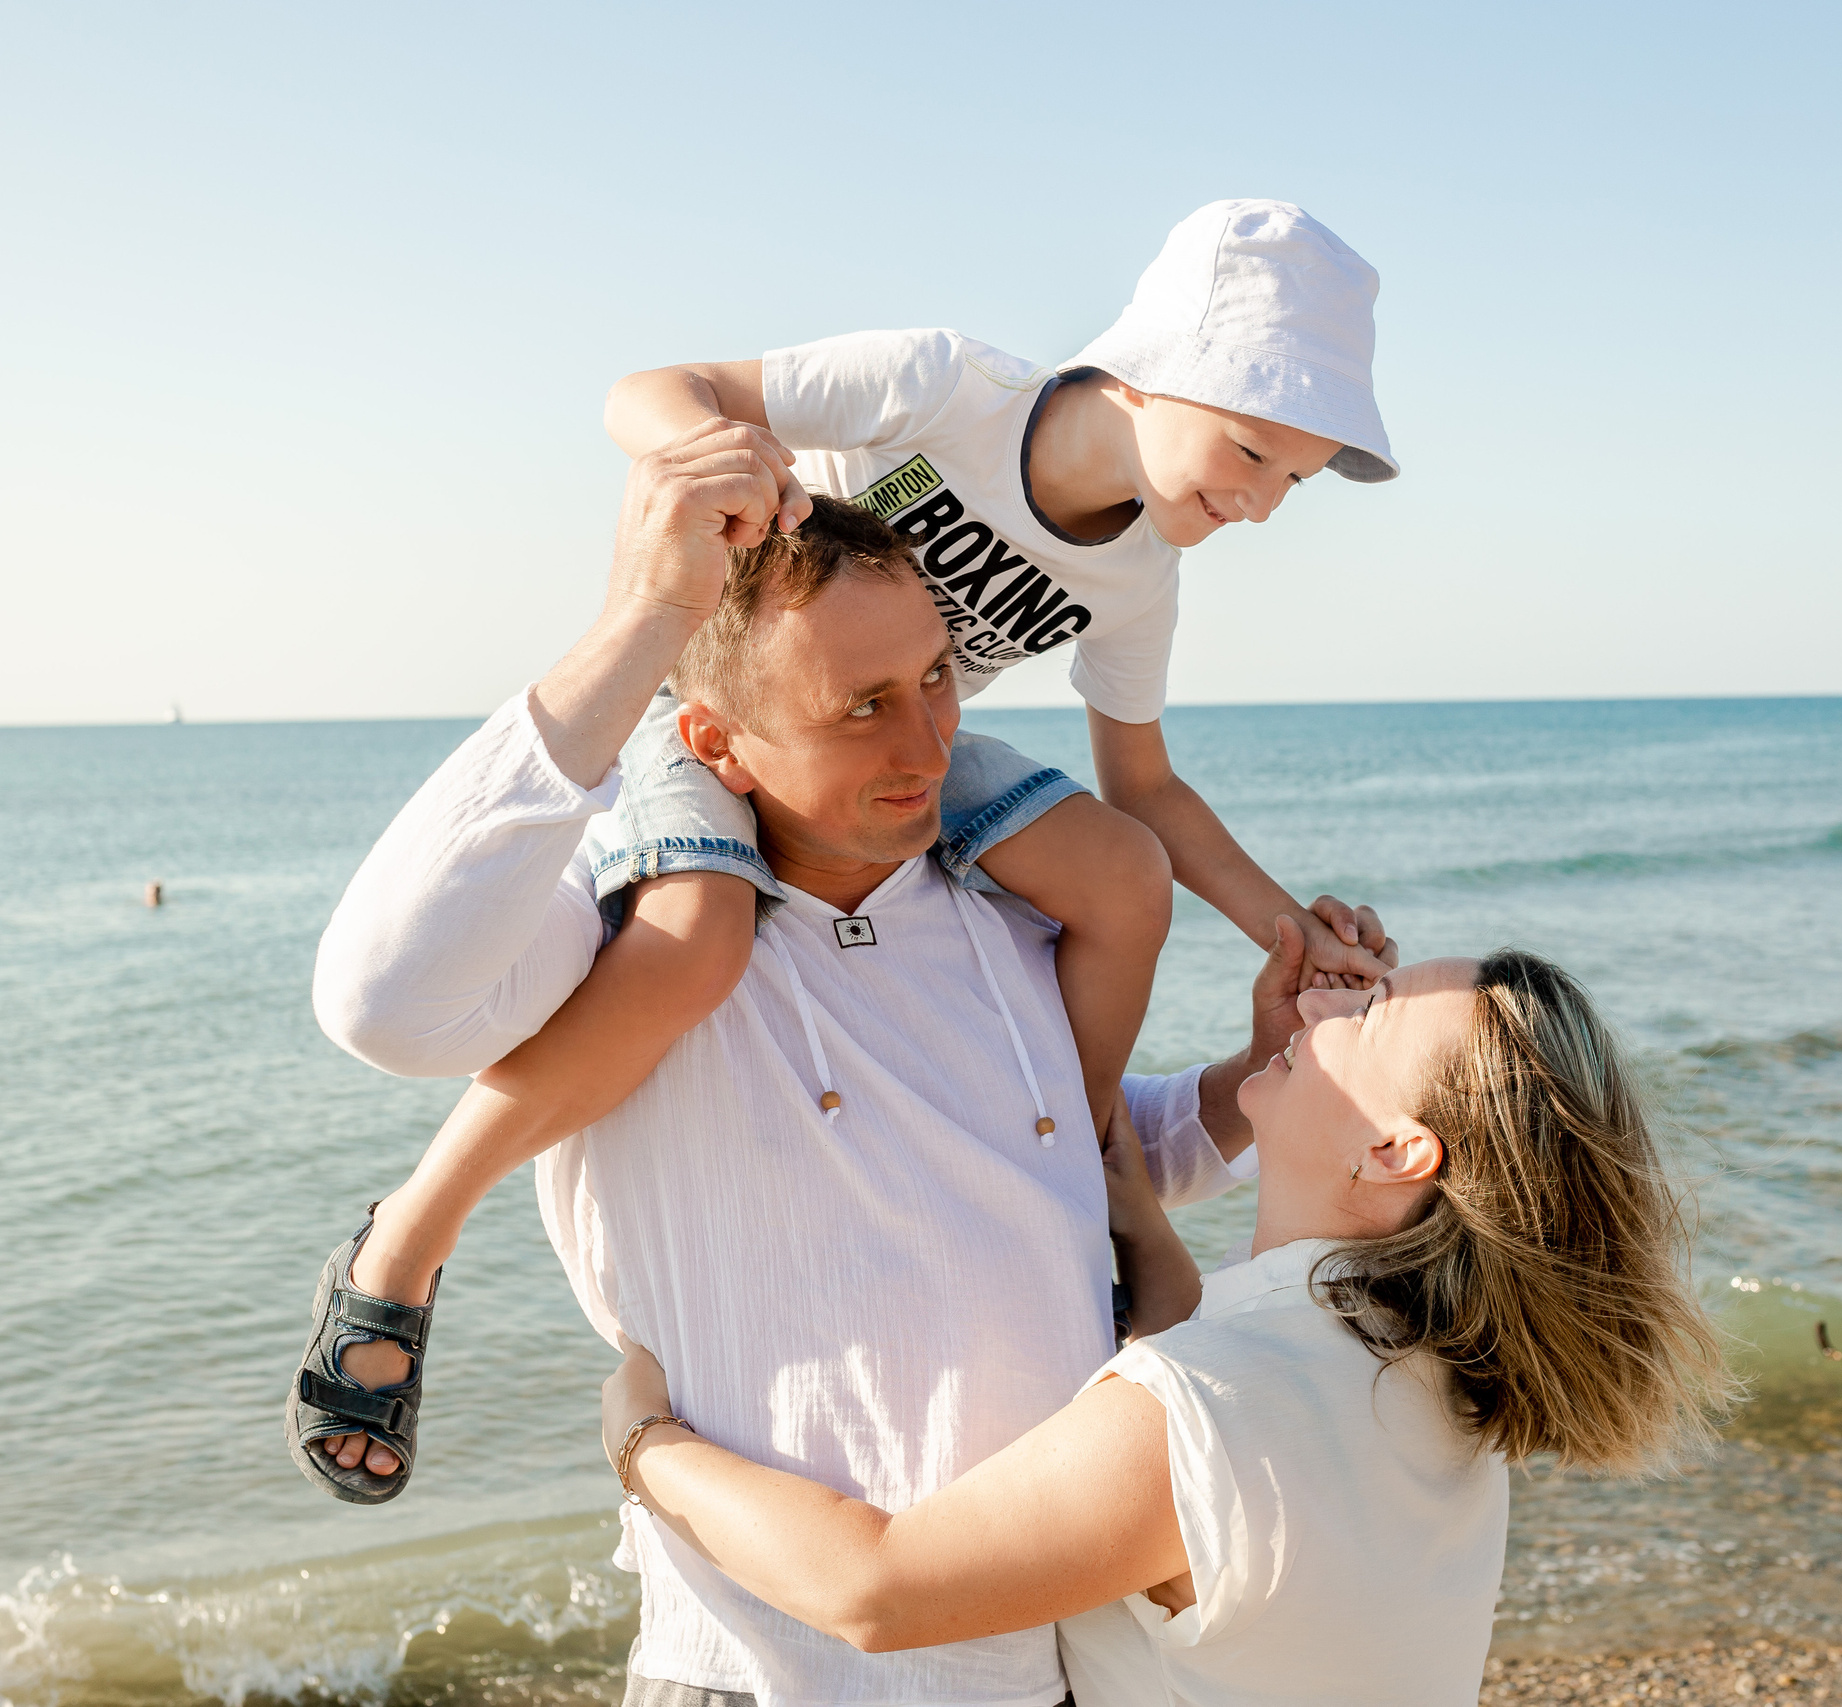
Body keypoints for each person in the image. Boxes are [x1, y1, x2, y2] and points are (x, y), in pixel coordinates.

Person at [294, 202, 1408, 1480]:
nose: (1261, 503)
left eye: (1293, 481)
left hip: (900, 743)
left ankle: (1089, 1152)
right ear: (1155, 368)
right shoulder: (949, 386)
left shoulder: (1140, 573)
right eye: (1253, 448)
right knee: (698, 938)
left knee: (1119, 872)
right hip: (740, 719)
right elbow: (656, 389)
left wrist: (1286, 927)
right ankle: (414, 1234)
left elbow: (1142, 786)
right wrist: (716, 467)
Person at [299, 446, 1337, 1707]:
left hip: (1040, 1662)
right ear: (714, 746)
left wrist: (1262, 1071)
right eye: (861, 706)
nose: (927, 744)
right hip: (748, 1670)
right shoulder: (623, 942)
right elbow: (383, 1004)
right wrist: (642, 620)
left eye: (937, 680)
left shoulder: (1011, 919)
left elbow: (1082, 1154)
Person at [600, 936, 1733, 1707]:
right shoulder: (1440, 1380)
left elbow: (873, 1588)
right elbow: (1247, 1442)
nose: (1328, 1003)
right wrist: (1141, 1229)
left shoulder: (1199, 1412)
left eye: (1369, 1015)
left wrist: (647, 1444)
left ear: (1394, 1151)